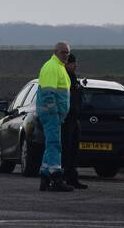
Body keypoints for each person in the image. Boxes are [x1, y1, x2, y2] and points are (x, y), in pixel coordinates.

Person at [37, 42, 74, 192]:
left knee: (50, 145)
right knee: (54, 145)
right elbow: (47, 93)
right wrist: (55, 112)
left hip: (54, 114)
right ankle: (56, 177)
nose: (66, 55)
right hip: (51, 114)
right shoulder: (52, 67)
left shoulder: (59, 67)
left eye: (68, 53)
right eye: (63, 52)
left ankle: (45, 177)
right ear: (56, 52)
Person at [61, 53, 87, 189]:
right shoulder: (64, 76)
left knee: (73, 149)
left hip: (74, 118)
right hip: (66, 119)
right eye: (73, 63)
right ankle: (63, 177)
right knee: (66, 149)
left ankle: (72, 178)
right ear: (66, 64)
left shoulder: (73, 77)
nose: (75, 65)